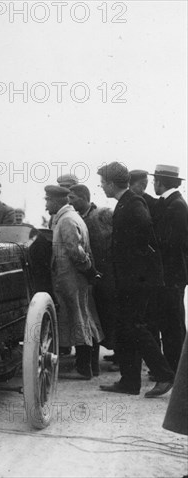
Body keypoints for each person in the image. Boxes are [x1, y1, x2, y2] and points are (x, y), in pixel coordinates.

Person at [97, 162, 175, 397]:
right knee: (126, 327)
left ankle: (164, 375)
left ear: (111, 184)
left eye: (102, 183)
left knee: (136, 326)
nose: (101, 187)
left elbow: (146, 235)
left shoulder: (133, 203)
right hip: (131, 280)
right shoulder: (126, 202)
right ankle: (129, 382)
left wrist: (134, 269)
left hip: (137, 282)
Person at [45, 185, 103, 379]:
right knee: (84, 319)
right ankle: (90, 367)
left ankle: (84, 367)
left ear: (56, 201)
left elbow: (74, 250)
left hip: (71, 278)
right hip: (73, 277)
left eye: (47, 201)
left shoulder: (67, 220)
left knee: (79, 320)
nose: (46, 206)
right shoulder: (68, 217)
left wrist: (89, 270)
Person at [68, 184, 116, 362]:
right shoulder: (78, 217)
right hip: (91, 274)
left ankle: (119, 355)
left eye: (73, 198)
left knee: (110, 313)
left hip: (106, 273)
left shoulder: (102, 214)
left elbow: (113, 242)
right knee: (98, 314)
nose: (70, 202)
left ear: (83, 197)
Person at [151, 164, 188, 373]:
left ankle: (176, 369)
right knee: (171, 322)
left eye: (155, 180)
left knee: (173, 325)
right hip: (172, 275)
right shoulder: (172, 203)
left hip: (172, 275)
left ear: (160, 181)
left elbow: (172, 243)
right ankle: (175, 367)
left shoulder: (176, 206)